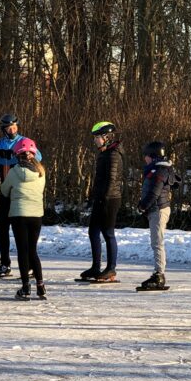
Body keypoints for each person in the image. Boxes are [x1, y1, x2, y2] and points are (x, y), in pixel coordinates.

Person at [0, 112, 41, 278]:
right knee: (2, 227)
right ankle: (4, 263)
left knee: (22, 229)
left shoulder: (23, 141)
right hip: (5, 190)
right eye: (9, 127)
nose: (12, 129)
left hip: (21, 192)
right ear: (3, 129)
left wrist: (16, 154)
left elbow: (38, 157)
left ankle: (29, 263)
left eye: (14, 126)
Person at [0, 137, 47, 300]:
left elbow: (4, 191)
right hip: (36, 215)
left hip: (19, 214)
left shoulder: (13, 172)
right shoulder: (41, 172)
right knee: (33, 250)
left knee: (22, 250)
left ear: (17, 155)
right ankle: (40, 285)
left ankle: (26, 287)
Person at [79, 121, 124, 283]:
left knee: (108, 233)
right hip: (101, 198)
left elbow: (111, 180)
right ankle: (96, 267)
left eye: (97, 137)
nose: (95, 140)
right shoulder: (105, 153)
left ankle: (111, 269)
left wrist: (103, 200)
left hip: (110, 199)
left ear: (107, 137)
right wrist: (94, 198)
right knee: (93, 232)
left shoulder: (113, 155)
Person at [137, 141, 179, 291]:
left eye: (146, 156)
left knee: (157, 242)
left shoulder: (160, 170)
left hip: (159, 209)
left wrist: (143, 206)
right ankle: (158, 273)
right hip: (156, 209)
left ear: (153, 156)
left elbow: (155, 192)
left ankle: (159, 275)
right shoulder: (158, 168)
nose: (145, 159)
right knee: (156, 242)